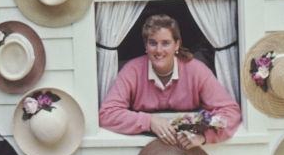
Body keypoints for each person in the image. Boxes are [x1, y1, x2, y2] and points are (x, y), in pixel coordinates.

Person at [98, 13, 241, 147]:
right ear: (146, 46)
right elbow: (107, 114)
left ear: (177, 45)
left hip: (191, 151)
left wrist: (204, 136)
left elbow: (230, 112)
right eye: (153, 43)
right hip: (144, 151)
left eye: (165, 43)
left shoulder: (196, 71)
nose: (159, 50)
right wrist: (149, 121)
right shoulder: (132, 70)